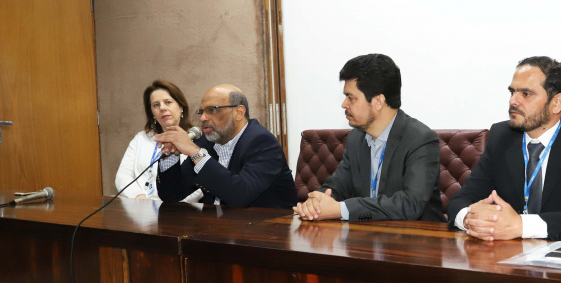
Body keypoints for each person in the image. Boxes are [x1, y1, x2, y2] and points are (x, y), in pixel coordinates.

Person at [446, 56, 561, 240]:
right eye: (512, 92)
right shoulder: (501, 136)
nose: (513, 101)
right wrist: (469, 219)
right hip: (508, 256)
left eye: (526, 94)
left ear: (556, 103)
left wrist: (522, 226)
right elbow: (460, 200)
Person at [294, 54, 444, 222]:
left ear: (378, 101)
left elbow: (410, 205)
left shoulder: (420, 140)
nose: (344, 104)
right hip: (368, 238)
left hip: (416, 241)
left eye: (351, 98)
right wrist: (316, 202)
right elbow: (337, 185)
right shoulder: (356, 138)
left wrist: (341, 209)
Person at [154, 84, 297, 209]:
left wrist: (195, 152)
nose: (203, 118)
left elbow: (239, 195)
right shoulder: (207, 142)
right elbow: (171, 195)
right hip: (220, 229)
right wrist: (170, 155)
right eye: (202, 112)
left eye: (212, 110)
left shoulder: (262, 142)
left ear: (238, 113)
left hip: (267, 231)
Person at [115, 80, 200, 202]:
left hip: (178, 211)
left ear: (181, 107)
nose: (162, 108)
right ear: (152, 113)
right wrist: (140, 198)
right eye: (156, 105)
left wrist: (169, 207)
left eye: (168, 102)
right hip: (140, 208)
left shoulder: (196, 140)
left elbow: (199, 187)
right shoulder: (141, 139)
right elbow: (123, 175)